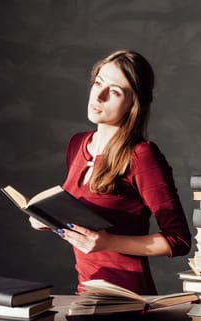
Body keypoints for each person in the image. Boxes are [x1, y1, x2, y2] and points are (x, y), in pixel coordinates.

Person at [30, 50, 191, 295]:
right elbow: (88, 223)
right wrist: (49, 219)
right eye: (98, 83)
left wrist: (110, 242)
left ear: (132, 105)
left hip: (127, 298)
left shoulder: (142, 155)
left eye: (115, 92)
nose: (99, 95)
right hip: (86, 292)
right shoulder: (77, 144)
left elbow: (179, 240)